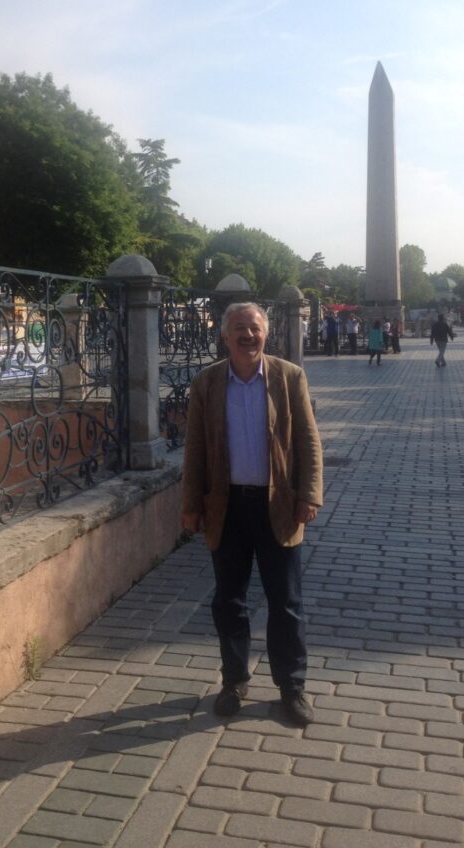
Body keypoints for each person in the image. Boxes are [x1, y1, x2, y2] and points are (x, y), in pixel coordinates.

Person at [181, 302, 323, 727]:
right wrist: (191, 505)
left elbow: (309, 441)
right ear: (224, 336)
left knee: (287, 603)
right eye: (239, 329)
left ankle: (291, 687)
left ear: (267, 334)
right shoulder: (206, 383)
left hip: (278, 505)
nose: (248, 335)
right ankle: (234, 680)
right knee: (229, 601)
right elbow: (194, 449)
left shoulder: (288, 376)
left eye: (255, 328)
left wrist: (309, 494)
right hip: (226, 507)